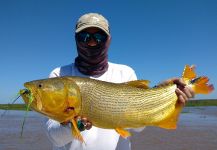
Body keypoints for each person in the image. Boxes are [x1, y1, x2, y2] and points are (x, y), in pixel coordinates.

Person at [43, 13, 194, 150]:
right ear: (76, 39)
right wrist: (74, 125)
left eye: (99, 37)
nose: (92, 43)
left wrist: (160, 94)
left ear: (108, 39)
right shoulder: (60, 75)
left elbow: (138, 128)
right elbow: (55, 138)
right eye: (84, 36)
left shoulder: (125, 73)